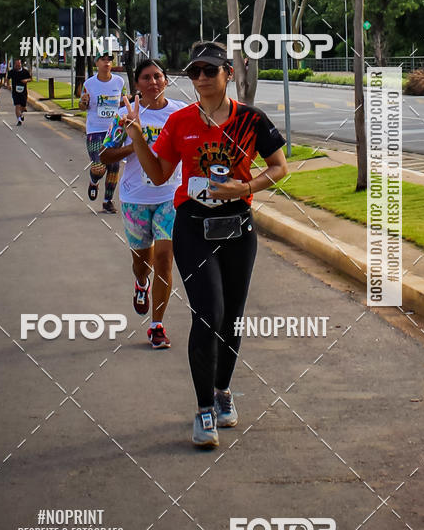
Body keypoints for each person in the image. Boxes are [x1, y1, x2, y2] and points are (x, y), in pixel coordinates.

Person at [123, 41, 288, 448]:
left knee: (232, 316)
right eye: (194, 71)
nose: (200, 78)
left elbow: (280, 166)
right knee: (208, 314)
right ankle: (203, 411)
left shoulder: (251, 120)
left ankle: (222, 391)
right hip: (193, 227)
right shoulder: (180, 122)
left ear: (228, 74)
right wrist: (136, 134)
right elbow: (160, 175)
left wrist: (244, 187)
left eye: (209, 71)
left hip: (237, 228)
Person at [100, 59, 185, 349]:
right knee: (142, 263)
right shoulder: (124, 115)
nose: (153, 82)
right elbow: (105, 156)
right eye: (146, 78)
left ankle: (156, 325)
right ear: (137, 84)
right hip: (135, 198)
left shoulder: (179, 113)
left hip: (169, 196)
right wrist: (135, 141)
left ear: (166, 80)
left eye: (158, 76)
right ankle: (141, 283)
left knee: (164, 258)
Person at [79, 51, 126, 214]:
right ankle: (94, 180)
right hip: (95, 130)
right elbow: (82, 105)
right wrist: (83, 103)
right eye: (103, 60)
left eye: (109, 60)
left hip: (114, 131)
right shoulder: (89, 84)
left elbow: (123, 103)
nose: (106, 62)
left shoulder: (119, 82)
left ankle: (107, 201)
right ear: (96, 63)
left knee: (113, 167)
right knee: (99, 167)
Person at [6, 58, 31, 126]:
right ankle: (19, 120)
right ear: (14, 65)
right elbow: (8, 78)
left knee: (23, 106)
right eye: (16, 65)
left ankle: (21, 114)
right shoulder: (12, 71)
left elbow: (30, 79)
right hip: (15, 91)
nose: (17, 66)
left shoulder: (25, 71)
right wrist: (8, 85)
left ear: (21, 64)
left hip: (23, 91)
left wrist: (26, 80)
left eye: (18, 64)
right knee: (17, 105)